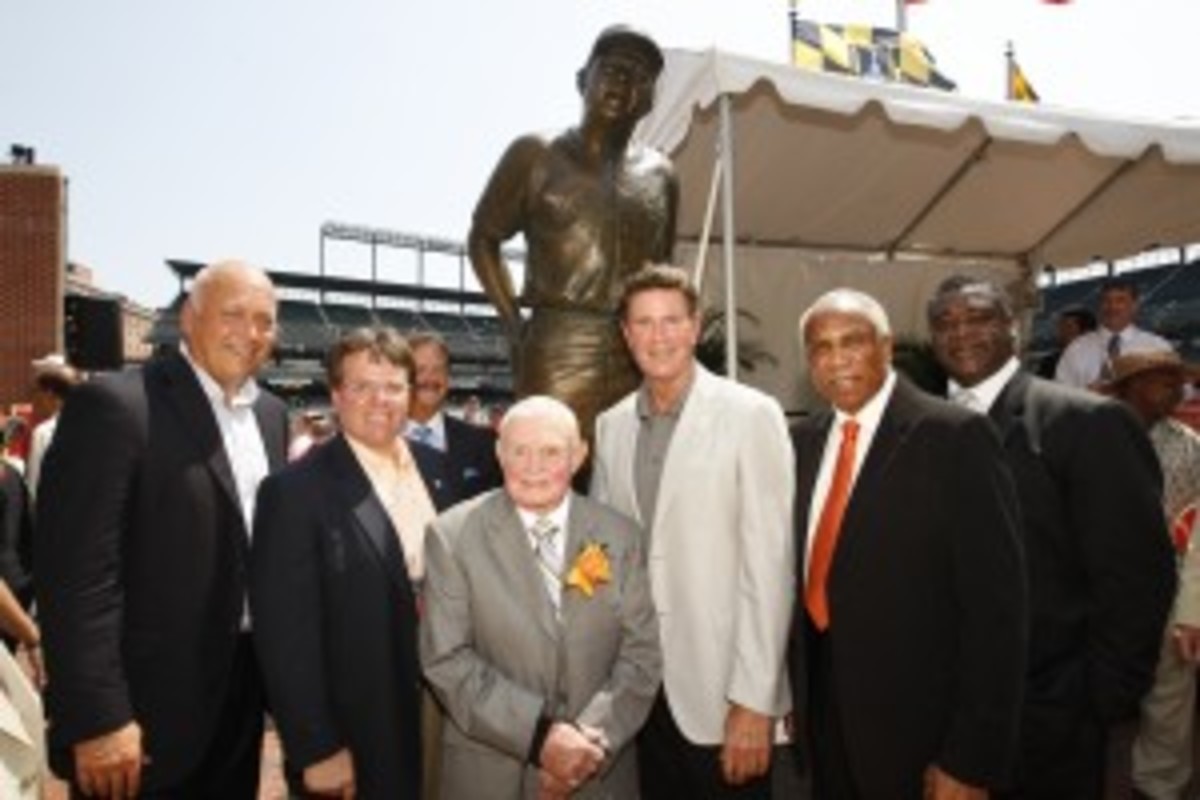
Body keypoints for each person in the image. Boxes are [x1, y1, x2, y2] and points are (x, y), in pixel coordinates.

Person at [35, 259, 289, 798]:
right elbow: (76, 577)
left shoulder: (271, 414)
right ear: (189, 319)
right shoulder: (116, 406)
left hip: (240, 703)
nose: (252, 333)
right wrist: (98, 716)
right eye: (234, 314)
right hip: (141, 715)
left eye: (266, 321)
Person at [926, 276, 1176, 797]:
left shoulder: (1088, 422)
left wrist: (1097, 701)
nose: (961, 333)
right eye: (945, 323)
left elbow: (1136, 578)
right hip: (943, 708)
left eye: (978, 318)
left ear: (1014, 330)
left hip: (1051, 718)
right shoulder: (923, 430)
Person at [789, 287, 1027, 799]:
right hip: (827, 724)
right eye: (821, 348)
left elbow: (997, 613)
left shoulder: (955, 437)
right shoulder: (802, 442)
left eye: (851, 342)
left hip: (922, 736)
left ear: (887, 346)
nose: (836, 360)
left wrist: (969, 757)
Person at [591, 265, 794, 798]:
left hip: (722, 695)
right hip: (638, 693)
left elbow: (770, 569)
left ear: (695, 326)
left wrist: (754, 701)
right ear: (625, 333)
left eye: (671, 321)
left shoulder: (751, 415)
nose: (658, 337)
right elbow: (602, 558)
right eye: (644, 323)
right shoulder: (610, 425)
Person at [253, 327, 459, 799]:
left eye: (392, 386)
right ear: (336, 395)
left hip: (444, 720)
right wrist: (315, 746)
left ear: (410, 393)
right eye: (362, 386)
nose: (379, 400)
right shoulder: (294, 492)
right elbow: (285, 636)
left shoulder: (438, 469)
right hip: (356, 733)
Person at [421, 395, 661, 799]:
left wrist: (587, 745)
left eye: (551, 451)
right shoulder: (452, 536)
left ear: (580, 455)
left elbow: (642, 655)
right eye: (520, 450)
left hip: (598, 775)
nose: (534, 467)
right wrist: (541, 739)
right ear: (500, 453)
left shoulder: (621, 536)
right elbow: (446, 659)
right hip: (491, 776)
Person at [468, 25, 679, 443]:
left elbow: (664, 272)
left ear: (651, 98)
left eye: (639, 75)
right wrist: (513, 324)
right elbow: (483, 238)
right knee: (549, 468)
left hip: (637, 348)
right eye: (613, 68)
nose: (624, 80)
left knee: (630, 479)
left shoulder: (662, 174)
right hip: (558, 344)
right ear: (583, 79)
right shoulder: (535, 153)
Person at [1102, 347, 1200, 800]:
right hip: (1101, 588)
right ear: (1128, 389)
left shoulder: (1189, 443)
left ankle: (1159, 786)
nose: (1177, 388)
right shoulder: (1090, 434)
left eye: (1177, 379)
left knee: (1169, 695)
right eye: (1162, 379)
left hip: (1174, 584)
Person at [404, 331, 502, 499]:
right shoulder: (378, 441)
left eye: (438, 369)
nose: (430, 378)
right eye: (420, 369)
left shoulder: (485, 444)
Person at [1055, 277, 1170, 388]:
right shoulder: (1076, 349)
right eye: (1106, 300)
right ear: (1099, 306)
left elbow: (1182, 393)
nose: (1112, 307)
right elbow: (1060, 397)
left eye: (1120, 300)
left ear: (1135, 306)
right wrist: (1086, 394)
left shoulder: (1157, 347)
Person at [25, 353, 81, 499]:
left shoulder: (43, 433)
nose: (33, 398)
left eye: (36, 391)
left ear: (49, 393)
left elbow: (34, 487)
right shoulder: (93, 425)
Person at [1034, 305, 1096, 379]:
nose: (1061, 332)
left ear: (1085, 332)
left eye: (1068, 327)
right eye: (1060, 326)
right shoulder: (1050, 362)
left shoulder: (1098, 359)